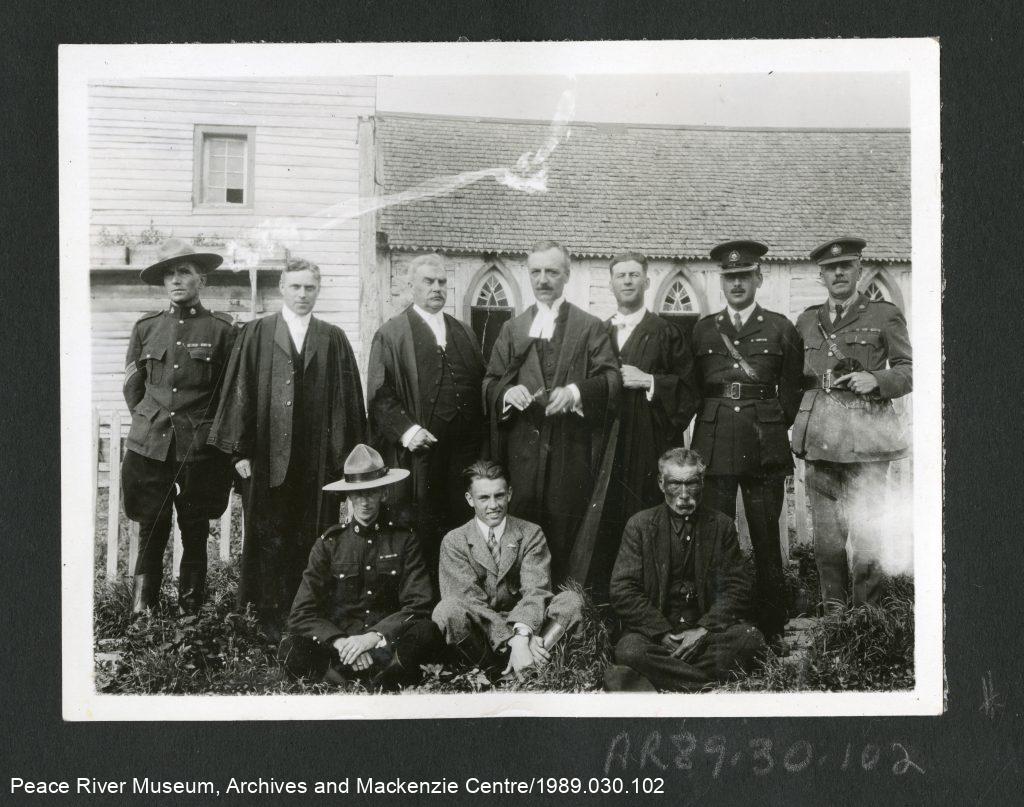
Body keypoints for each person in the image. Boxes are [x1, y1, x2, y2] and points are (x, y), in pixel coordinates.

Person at [208, 259, 366, 641]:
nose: (302, 294)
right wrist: (239, 453)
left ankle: (310, 622)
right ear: (282, 287)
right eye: (295, 287)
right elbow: (239, 392)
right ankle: (264, 625)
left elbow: (348, 404)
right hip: (266, 463)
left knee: (314, 540)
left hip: (316, 466)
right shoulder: (257, 334)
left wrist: (345, 463)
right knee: (267, 542)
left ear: (318, 289)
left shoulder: (333, 338)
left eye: (309, 287)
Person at [482, 240, 620, 585]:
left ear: (567, 275)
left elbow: (612, 378)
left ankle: (565, 617)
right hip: (522, 452)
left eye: (552, 272)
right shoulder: (513, 329)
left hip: (570, 450)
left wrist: (575, 391)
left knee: (565, 526)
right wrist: (506, 392)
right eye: (536, 272)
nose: (543, 279)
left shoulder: (589, 326)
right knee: (521, 526)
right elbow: (490, 381)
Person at [688, 240, 803, 650]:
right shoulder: (702, 328)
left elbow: (790, 391)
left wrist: (770, 424)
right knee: (717, 538)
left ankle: (771, 628)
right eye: (729, 277)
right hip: (715, 443)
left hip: (763, 446)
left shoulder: (780, 328)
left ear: (758, 277)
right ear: (722, 281)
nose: (736, 283)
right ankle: (721, 625)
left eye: (744, 276)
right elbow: (693, 387)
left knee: (766, 539)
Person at [791, 236, 912, 610]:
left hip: (868, 438)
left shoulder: (883, 315)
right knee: (826, 539)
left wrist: (878, 380)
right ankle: (833, 616)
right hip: (821, 437)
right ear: (821, 276)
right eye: (830, 268)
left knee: (867, 534)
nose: (838, 273)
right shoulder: (808, 320)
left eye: (846, 266)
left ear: (859, 269)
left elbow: (909, 370)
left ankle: (867, 617)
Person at [121, 237, 237, 616]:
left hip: (199, 446)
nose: (176, 280)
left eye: (184, 272)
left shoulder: (222, 330)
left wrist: (210, 433)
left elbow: (229, 392)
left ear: (201, 279)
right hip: (151, 445)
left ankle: (191, 608)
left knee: (195, 527)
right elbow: (133, 386)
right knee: (151, 526)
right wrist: (150, 421)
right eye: (169, 274)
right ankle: (143, 607)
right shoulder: (146, 328)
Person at [366, 253, 486, 587]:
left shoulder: (464, 332)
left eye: (442, 281)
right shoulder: (391, 334)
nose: (437, 288)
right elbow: (380, 393)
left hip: (463, 456)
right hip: (421, 457)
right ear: (411, 285)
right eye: (428, 281)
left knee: (462, 528)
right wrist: (408, 430)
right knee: (422, 531)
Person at [280, 444, 443, 690]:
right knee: (290, 647)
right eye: (357, 494)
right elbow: (301, 613)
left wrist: (372, 638)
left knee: (427, 631)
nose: (364, 501)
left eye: (371, 492)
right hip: (341, 651)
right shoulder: (329, 544)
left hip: (388, 646)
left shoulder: (404, 540)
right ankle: (342, 683)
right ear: (348, 497)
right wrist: (341, 642)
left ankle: (386, 679)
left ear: (384, 494)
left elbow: (418, 604)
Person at [604, 448, 765, 692]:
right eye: (675, 484)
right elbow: (623, 590)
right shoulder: (640, 526)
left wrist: (703, 630)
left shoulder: (721, 526)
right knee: (630, 650)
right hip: (656, 636)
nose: (684, 495)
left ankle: (661, 679)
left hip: (706, 635)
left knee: (750, 639)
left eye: (691, 484)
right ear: (661, 483)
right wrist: (661, 633)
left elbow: (738, 587)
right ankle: (706, 685)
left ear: (702, 483)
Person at [594, 251, 698, 598]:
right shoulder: (598, 333)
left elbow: (689, 390)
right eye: (620, 275)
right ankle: (608, 604)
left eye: (634, 275)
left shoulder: (666, 332)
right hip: (606, 444)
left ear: (646, 281)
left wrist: (650, 381)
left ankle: (652, 599)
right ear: (611, 283)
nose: (627, 281)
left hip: (649, 442)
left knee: (647, 517)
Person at [432, 460, 582, 678]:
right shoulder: (454, 540)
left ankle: (533, 668)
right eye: (483, 497)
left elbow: (536, 590)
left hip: (528, 625)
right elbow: (468, 601)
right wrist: (513, 641)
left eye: (499, 495)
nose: (493, 505)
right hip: (483, 632)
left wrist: (523, 635)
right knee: (447, 610)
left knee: (571, 601)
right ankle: (493, 672)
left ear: (509, 493)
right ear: (469, 499)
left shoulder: (531, 533)